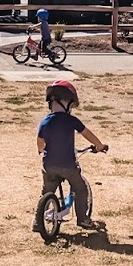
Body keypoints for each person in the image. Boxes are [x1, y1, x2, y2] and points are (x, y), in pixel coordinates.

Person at [33, 80, 106, 232]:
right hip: (68, 166)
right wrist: (99, 146)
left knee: (47, 190)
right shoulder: (71, 120)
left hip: (49, 166)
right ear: (66, 103)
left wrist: (42, 150)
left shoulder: (45, 122)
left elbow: (40, 142)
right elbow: (88, 134)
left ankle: (37, 221)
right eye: (72, 106)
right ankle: (83, 219)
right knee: (80, 188)